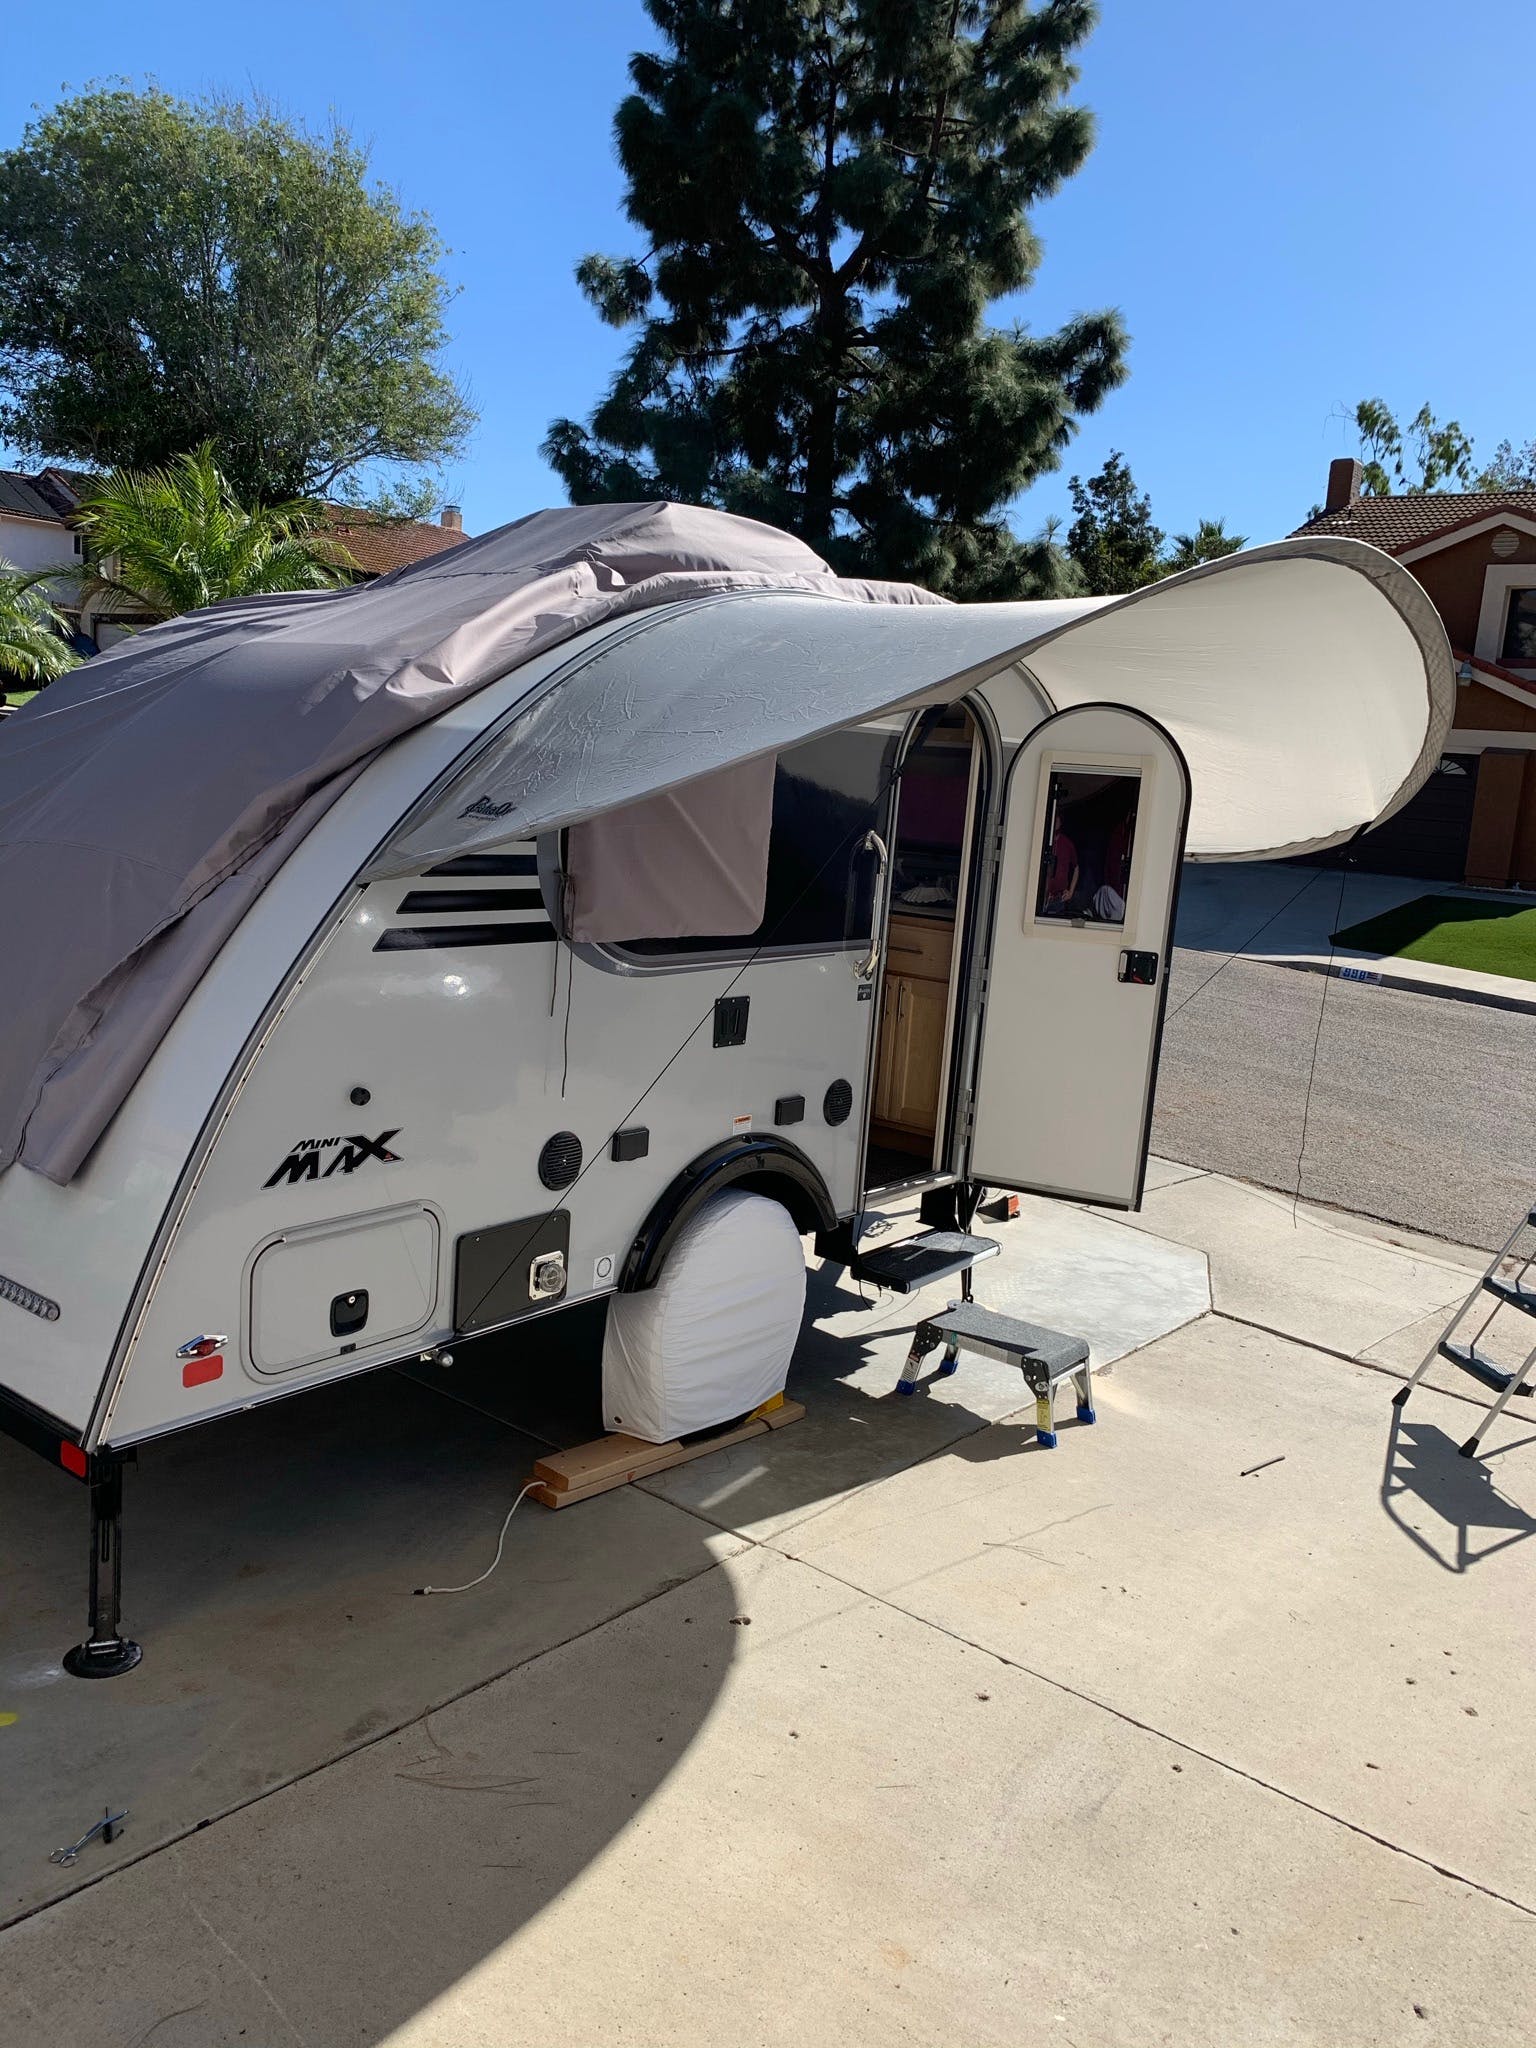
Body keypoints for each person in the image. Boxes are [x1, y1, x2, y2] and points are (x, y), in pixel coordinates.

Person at [1041, 818, 1078, 914]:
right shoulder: (1042, 841)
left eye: (1057, 820)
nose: (1055, 822)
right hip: (1041, 897)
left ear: (1060, 822)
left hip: (1059, 899)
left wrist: (1071, 892)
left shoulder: (1067, 844)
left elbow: (1076, 868)